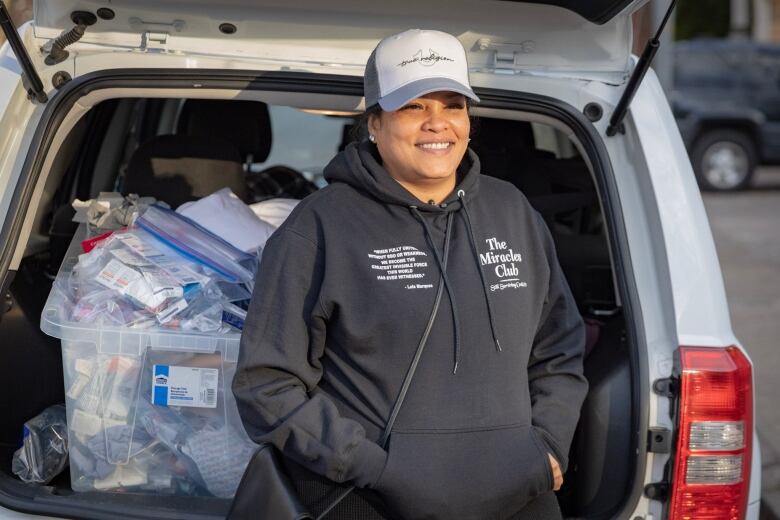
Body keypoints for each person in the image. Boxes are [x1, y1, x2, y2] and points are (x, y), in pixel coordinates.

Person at [232, 28, 588, 520]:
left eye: (453, 105)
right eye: (413, 107)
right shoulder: (319, 226)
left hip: (520, 497)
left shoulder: (512, 210)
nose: (437, 124)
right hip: (373, 500)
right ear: (374, 123)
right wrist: (372, 468)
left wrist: (547, 445)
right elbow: (266, 383)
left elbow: (559, 346)